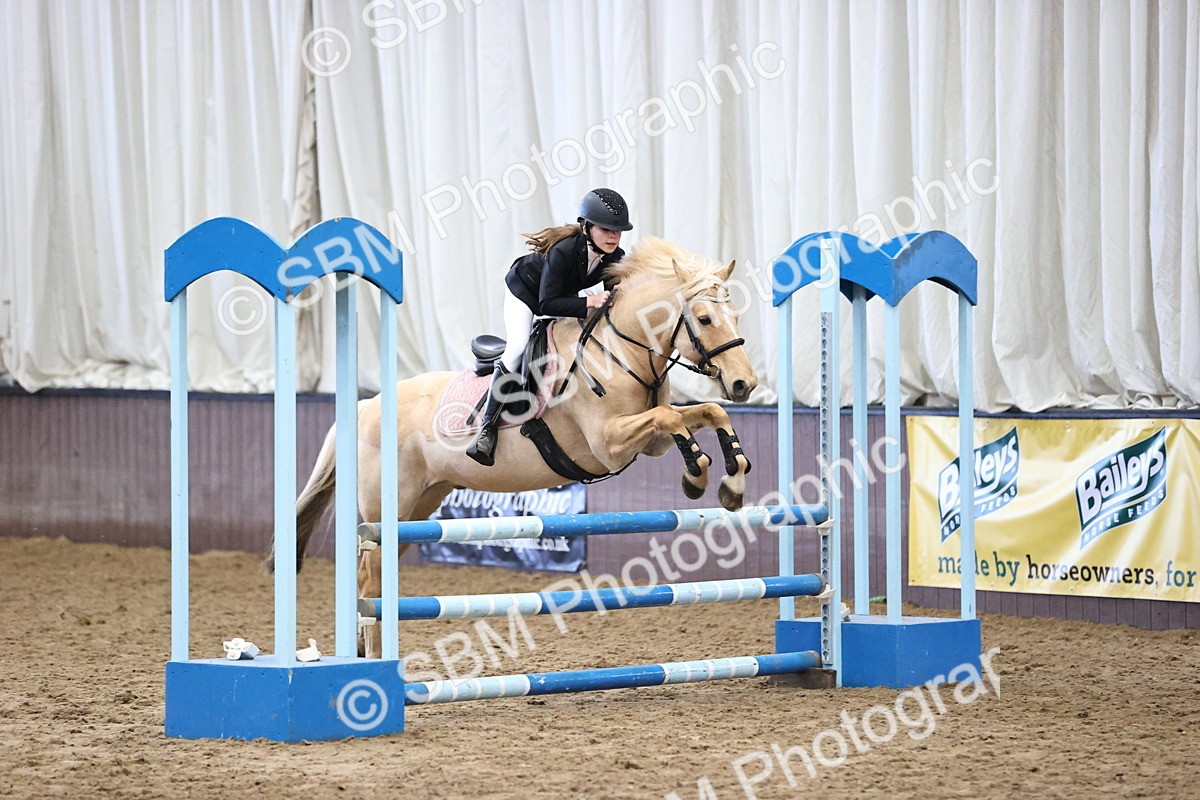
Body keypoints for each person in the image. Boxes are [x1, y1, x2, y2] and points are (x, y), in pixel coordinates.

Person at [466, 188, 633, 466]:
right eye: (606, 229)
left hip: (559, 296)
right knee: (518, 346)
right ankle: (487, 429)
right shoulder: (564, 251)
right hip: (526, 293)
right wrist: (589, 301)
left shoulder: (614, 256)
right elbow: (546, 304)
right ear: (587, 228)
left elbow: (613, 300)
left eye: (618, 230)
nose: (614, 236)